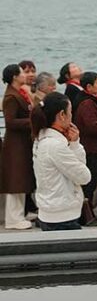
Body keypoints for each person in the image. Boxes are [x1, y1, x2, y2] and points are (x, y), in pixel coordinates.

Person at [31, 93, 92, 232]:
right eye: (70, 112)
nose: (72, 116)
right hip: (63, 216)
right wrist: (75, 145)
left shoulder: (39, 140)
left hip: (49, 211)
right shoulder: (55, 145)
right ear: (62, 115)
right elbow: (84, 177)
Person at [73, 71, 97, 225]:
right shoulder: (87, 103)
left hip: (92, 147)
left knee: (92, 180)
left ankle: (88, 213)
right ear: (89, 87)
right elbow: (91, 126)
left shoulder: (91, 101)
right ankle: (85, 215)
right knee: (89, 182)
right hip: (90, 147)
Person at [1, 63, 35, 230]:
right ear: (14, 76)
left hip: (22, 143)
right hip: (15, 145)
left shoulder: (18, 93)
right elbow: (10, 122)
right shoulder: (11, 97)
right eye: (22, 73)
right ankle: (13, 219)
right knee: (16, 181)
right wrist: (32, 121)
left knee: (21, 180)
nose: (25, 75)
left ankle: (20, 214)